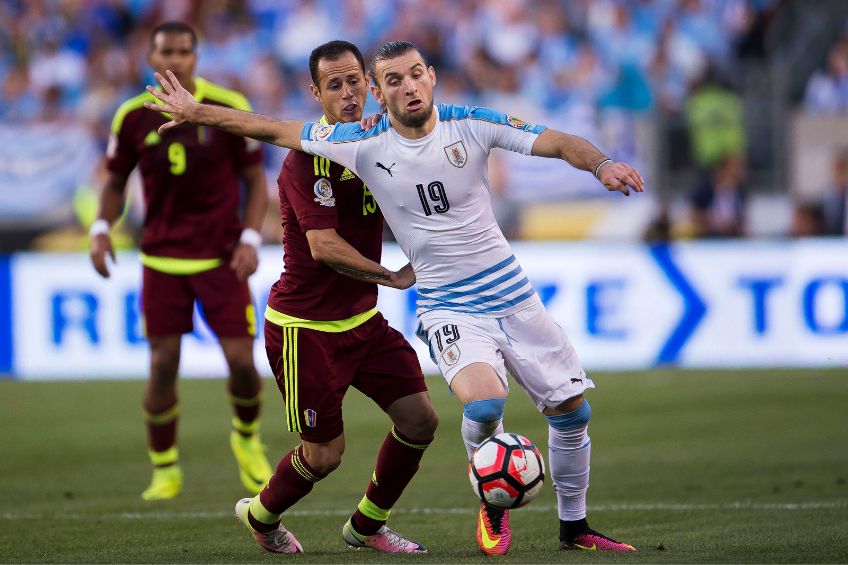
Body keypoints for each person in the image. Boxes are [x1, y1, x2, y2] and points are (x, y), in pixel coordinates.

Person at [144, 39, 645, 554]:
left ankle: (566, 528)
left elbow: (559, 140)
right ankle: (480, 508)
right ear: (379, 94)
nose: (403, 87)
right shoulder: (346, 145)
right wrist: (194, 110)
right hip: (363, 316)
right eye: (391, 81)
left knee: (545, 413)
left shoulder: (469, 123)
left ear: (426, 77)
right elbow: (274, 138)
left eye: (412, 76)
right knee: (374, 440)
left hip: (481, 297)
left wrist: (601, 164)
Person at [232, 40, 437, 555]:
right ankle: (260, 515)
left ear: (370, 85)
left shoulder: (378, 141)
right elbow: (323, 247)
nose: (348, 94)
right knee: (324, 457)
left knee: (419, 420)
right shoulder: (306, 161)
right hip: (306, 329)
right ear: (316, 92)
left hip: (361, 321)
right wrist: (391, 277)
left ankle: (367, 527)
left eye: (354, 83)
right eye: (334, 85)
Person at [89, 21, 273, 501]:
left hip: (222, 258)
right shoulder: (131, 116)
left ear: (198, 55)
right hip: (162, 259)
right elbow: (113, 181)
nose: (175, 58)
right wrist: (101, 228)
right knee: (163, 364)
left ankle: (247, 440)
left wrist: (251, 237)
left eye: (184, 50)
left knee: (240, 362)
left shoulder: (226, 107)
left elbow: (255, 181)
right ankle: (165, 468)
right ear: (150, 57)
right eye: (165, 50)